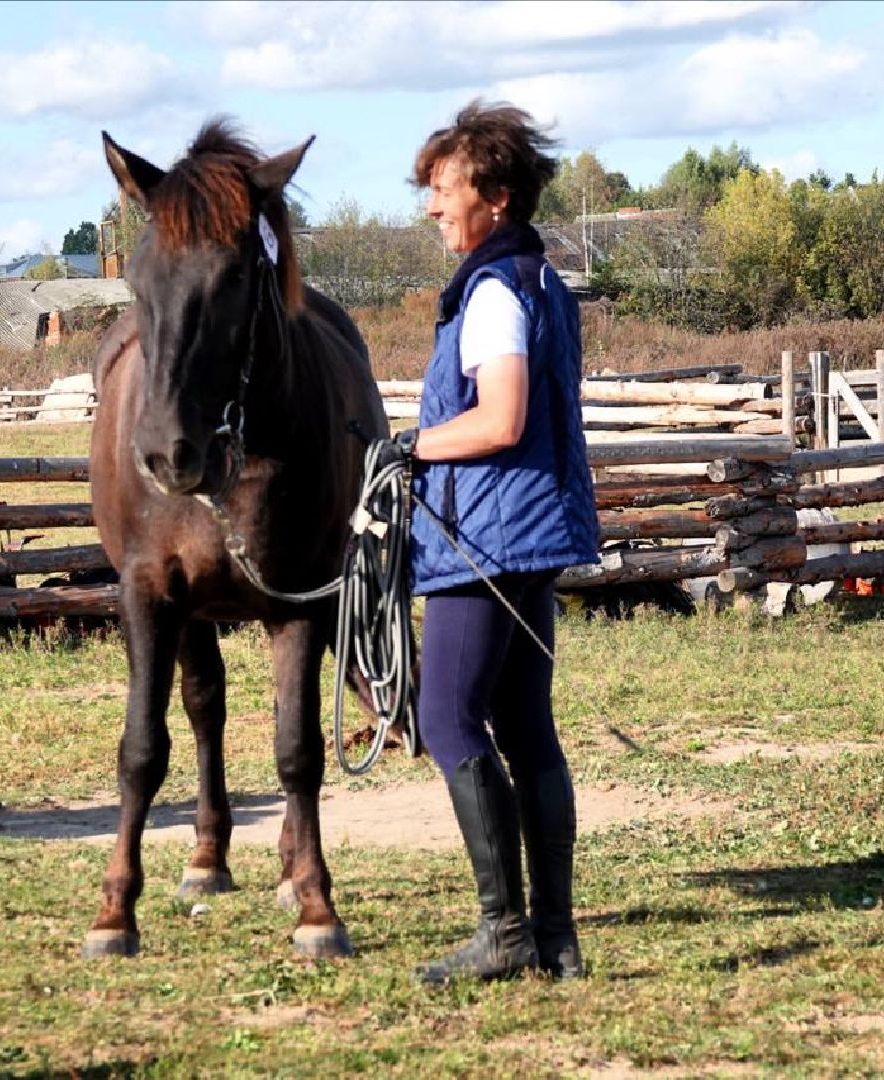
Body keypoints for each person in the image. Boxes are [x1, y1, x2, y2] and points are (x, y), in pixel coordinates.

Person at [395, 99, 599, 985]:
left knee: (447, 717)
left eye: (446, 190)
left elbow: (501, 416)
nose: (434, 208)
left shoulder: (490, 291)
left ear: (498, 198)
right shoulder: (540, 280)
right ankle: (554, 939)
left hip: (486, 531)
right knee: (525, 725)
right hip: (532, 526)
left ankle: (505, 931)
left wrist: (406, 447)